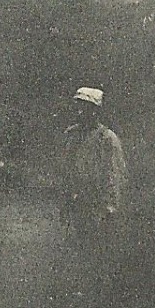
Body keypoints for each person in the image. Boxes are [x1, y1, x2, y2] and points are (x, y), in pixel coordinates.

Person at [61, 87, 130, 247]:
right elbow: (66, 169)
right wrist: (65, 199)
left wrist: (109, 208)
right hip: (76, 200)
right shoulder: (72, 135)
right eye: (78, 107)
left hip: (97, 202)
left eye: (85, 108)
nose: (80, 112)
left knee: (97, 247)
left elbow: (114, 174)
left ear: (95, 111)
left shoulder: (106, 139)